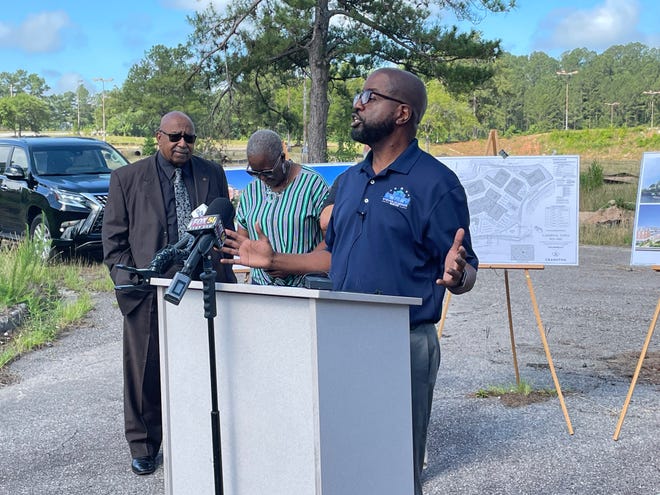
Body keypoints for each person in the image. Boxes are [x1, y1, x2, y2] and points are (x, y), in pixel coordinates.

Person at [221, 68, 478, 495]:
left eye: (369, 96)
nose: (357, 103)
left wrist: (458, 275)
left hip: (402, 341)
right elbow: (332, 254)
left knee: (394, 468)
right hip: (340, 339)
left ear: (402, 113)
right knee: (341, 458)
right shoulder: (348, 181)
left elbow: (466, 268)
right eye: (359, 94)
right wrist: (274, 260)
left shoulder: (436, 184)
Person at [102, 111, 236, 476]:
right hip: (147, 290)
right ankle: (145, 444)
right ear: (158, 137)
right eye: (175, 137)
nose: (183, 144)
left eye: (189, 138)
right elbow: (113, 243)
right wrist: (131, 285)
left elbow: (225, 227)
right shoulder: (127, 178)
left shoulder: (212, 174)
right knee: (144, 371)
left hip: (203, 284)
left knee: (208, 365)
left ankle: (203, 437)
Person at [236, 129, 329, 286]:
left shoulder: (313, 184)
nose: (262, 178)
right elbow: (242, 237)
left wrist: (291, 264)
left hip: (305, 287)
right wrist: (258, 256)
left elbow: (331, 239)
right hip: (261, 287)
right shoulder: (250, 192)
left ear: (282, 158)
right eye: (255, 173)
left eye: (267, 172)